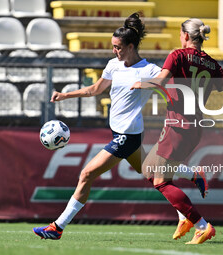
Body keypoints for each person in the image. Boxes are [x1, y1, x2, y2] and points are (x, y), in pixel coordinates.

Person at [33, 13, 208, 241]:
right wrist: (65, 95)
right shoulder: (113, 65)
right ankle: (193, 176)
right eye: (113, 47)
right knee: (151, 172)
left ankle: (58, 227)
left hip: (126, 137)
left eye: (118, 47)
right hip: (122, 133)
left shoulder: (149, 70)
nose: (114, 51)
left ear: (131, 46)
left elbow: (172, 83)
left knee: (86, 174)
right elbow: (94, 90)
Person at [131, 18, 223, 244]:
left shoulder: (177, 55)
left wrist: (142, 84)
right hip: (194, 128)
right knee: (148, 169)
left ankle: (201, 225)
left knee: (161, 181)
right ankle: (188, 202)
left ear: (185, 35)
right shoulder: (214, 65)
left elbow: (161, 81)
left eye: (180, 33)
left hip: (177, 126)